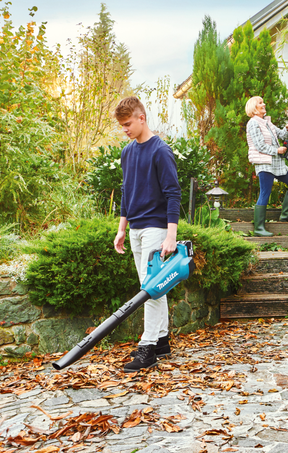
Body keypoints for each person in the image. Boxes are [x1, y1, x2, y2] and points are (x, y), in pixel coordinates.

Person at [113, 96, 182, 372]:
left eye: (128, 123)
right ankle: (162, 341)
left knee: (148, 290)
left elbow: (173, 193)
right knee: (154, 287)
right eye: (122, 125)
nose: (125, 129)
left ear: (142, 118)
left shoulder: (160, 151)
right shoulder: (127, 152)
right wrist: (121, 228)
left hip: (156, 227)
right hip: (135, 229)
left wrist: (171, 235)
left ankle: (147, 349)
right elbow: (126, 191)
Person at [245, 96, 288, 236]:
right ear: (254, 108)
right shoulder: (253, 123)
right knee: (265, 192)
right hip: (264, 163)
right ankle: (259, 228)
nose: (264, 104)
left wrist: (287, 127)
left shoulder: (267, 123)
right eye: (260, 103)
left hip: (277, 163)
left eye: (263, 101)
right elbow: (259, 145)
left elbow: (282, 135)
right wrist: (276, 150)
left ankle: (286, 215)